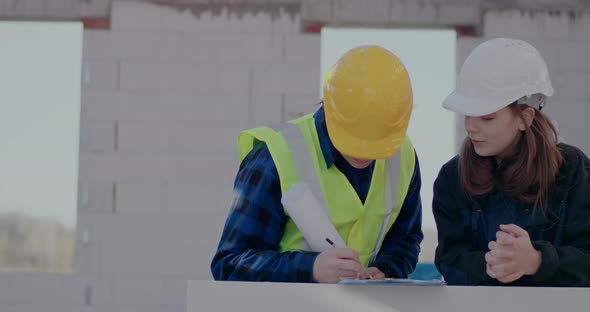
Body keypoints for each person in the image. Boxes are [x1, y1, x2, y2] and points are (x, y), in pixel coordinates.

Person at [211, 45, 423, 283]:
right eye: (355, 138)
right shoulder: (274, 157)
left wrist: (386, 268)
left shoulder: (402, 156)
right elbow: (229, 264)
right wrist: (309, 268)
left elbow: (406, 238)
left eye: (374, 143)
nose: (364, 154)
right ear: (330, 109)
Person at [433, 38, 590, 286]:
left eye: (487, 117)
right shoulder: (453, 177)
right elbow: (449, 260)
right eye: (467, 114)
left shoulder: (572, 169)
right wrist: (496, 264)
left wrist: (537, 260)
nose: (471, 127)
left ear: (525, 118)